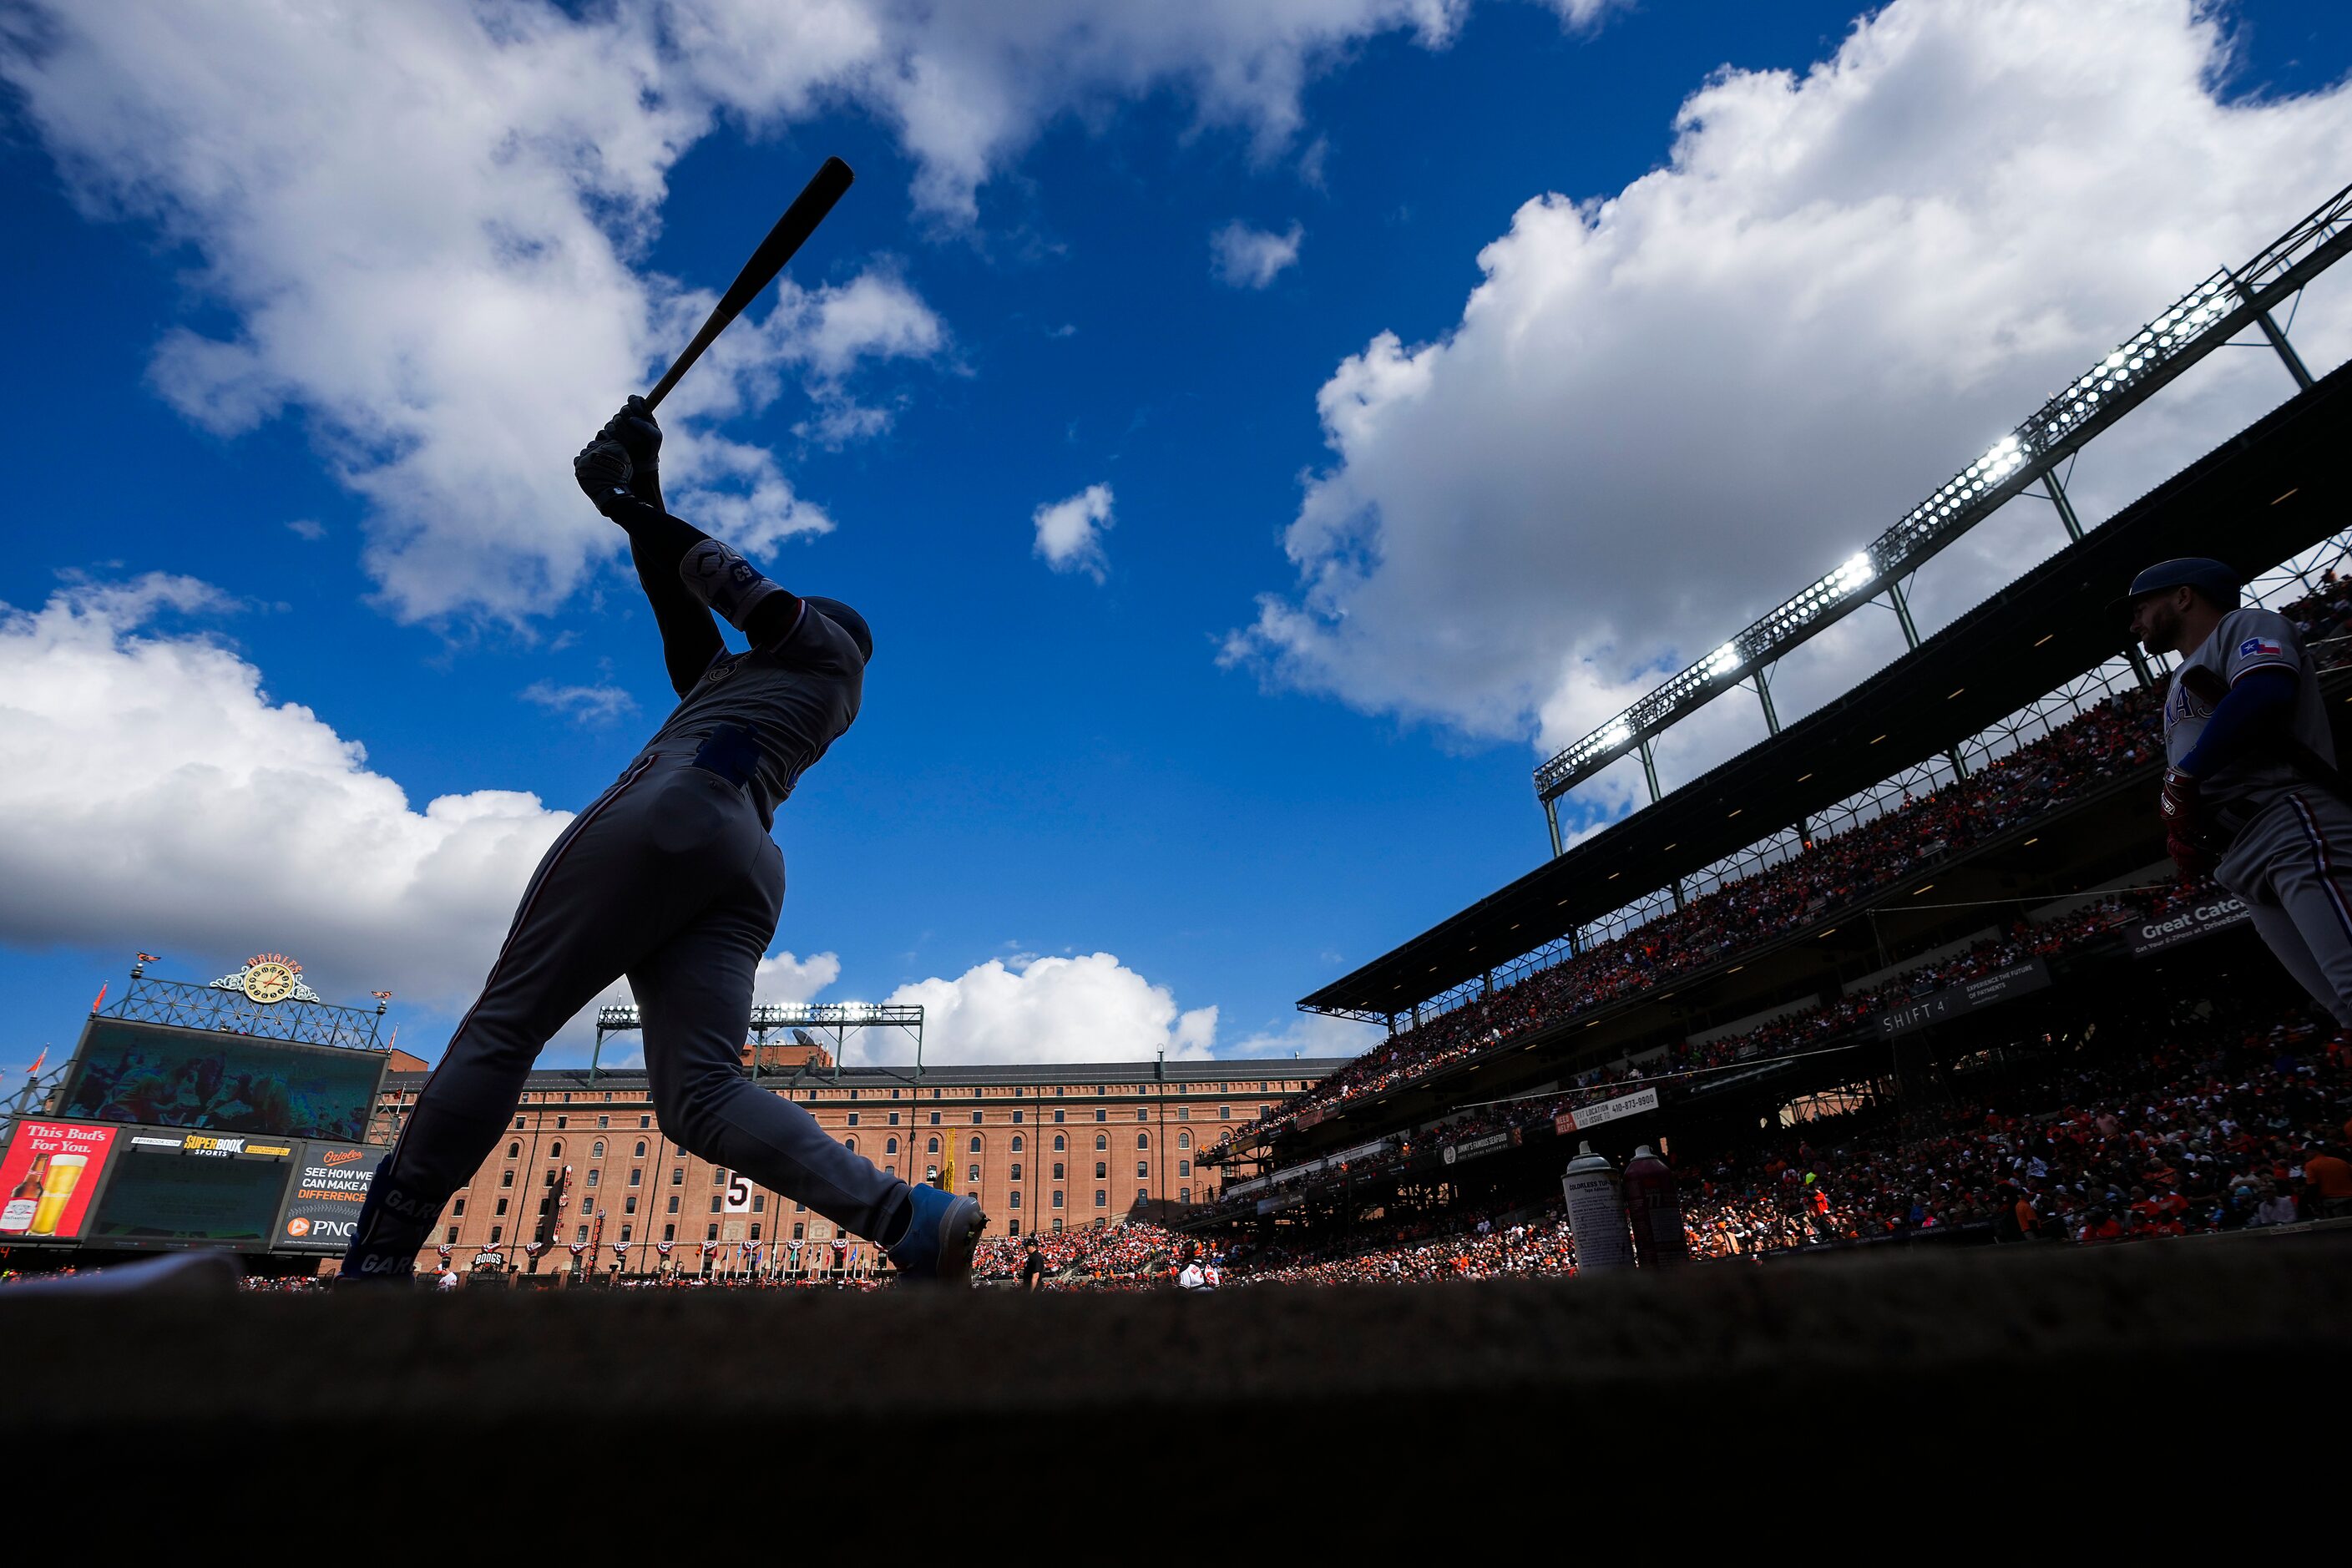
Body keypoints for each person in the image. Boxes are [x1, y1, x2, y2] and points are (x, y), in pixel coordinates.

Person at [341, 399, 984, 1285]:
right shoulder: (742, 685)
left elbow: (722, 577)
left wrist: (621, 505)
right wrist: (644, 475)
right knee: (702, 1096)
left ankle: (379, 1258)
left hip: (678, 808)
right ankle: (908, 1216)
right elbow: (673, 595)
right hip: (743, 859)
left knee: (507, 1022)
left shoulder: (824, 649)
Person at [2125, 558, 2352, 1026]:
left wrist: (2183, 778)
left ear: (2183, 596)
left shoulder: (2245, 624)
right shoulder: (2179, 679)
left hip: (2288, 821)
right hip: (2236, 853)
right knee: (2341, 1008)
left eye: (2142, 607)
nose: (2135, 623)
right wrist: (2190, 831)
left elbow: (2263, 691)